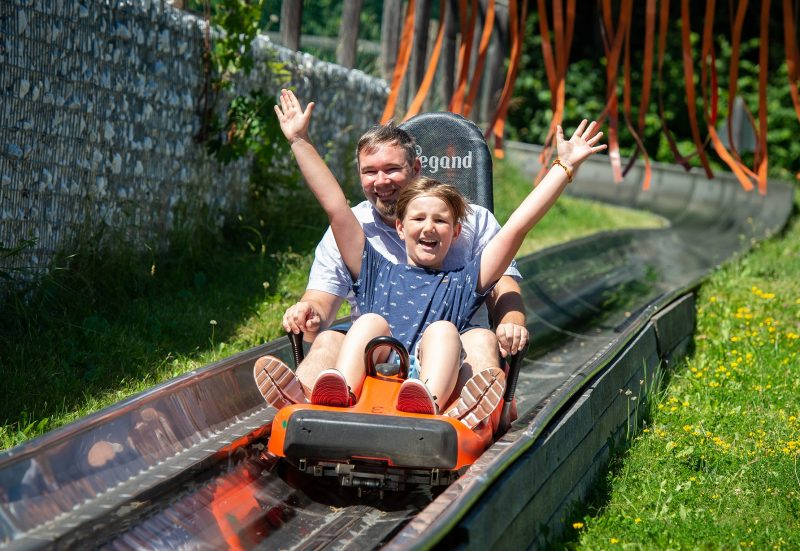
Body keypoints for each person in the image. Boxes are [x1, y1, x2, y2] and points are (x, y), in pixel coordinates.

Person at [254, 89, 606, 428]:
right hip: (377, 365)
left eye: (440, 221)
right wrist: (299, 141)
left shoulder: (464, 281)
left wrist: (564, 167)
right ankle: (331, 395)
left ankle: (435, 404)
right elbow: (334, 206)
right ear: (399, 227)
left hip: (432, 374)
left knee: (443, 331)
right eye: (419, 220)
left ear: (456, 233)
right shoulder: (376, 269)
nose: (429, 228)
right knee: (367, 323)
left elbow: (517, 228)